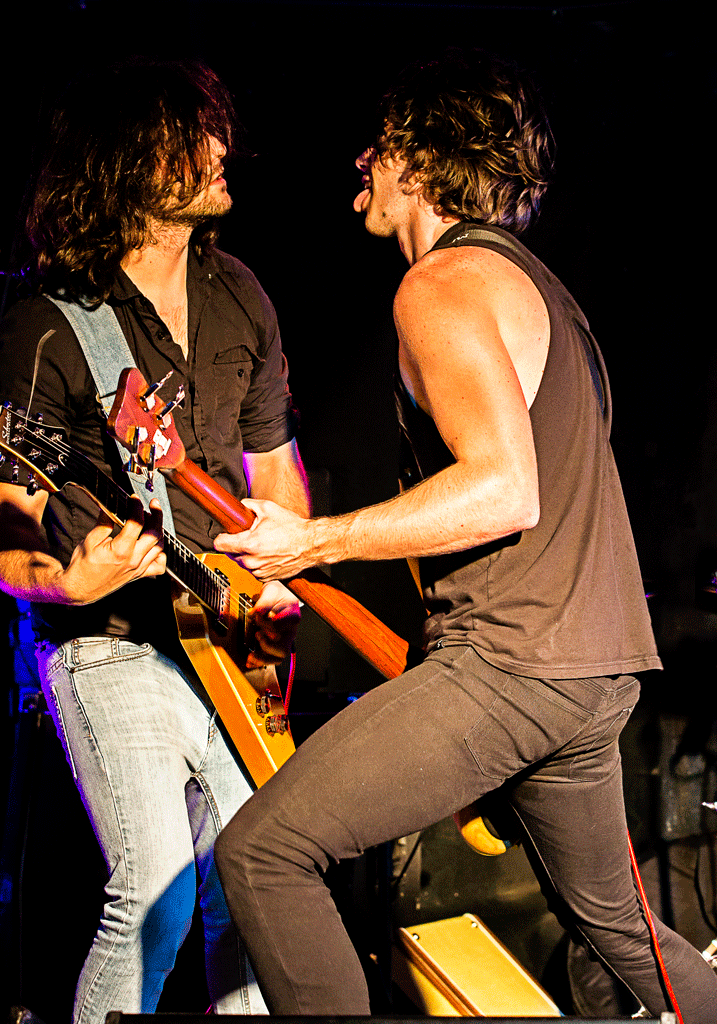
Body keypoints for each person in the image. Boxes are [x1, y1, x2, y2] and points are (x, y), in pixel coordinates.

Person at [211, 48, 717, 1022]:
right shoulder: (542, 292)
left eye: (380, 145)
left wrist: (313, 541)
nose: (362, 160)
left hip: (512, 664)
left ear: (418, 162)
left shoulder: (439, 284)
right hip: (590, 674)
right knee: (623, 933)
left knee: (264, 852)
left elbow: (503, 489)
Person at [0, 57, 310, 1023]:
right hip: (109, 642)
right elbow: (5, 530)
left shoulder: (239, 294)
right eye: (191, 136)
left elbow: (276, 471)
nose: (220, 149)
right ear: (129, 160)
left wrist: (282, 571)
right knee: (156, 892)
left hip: (232, 650)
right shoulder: (48, 326)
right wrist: (66, 581)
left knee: (257, 897)